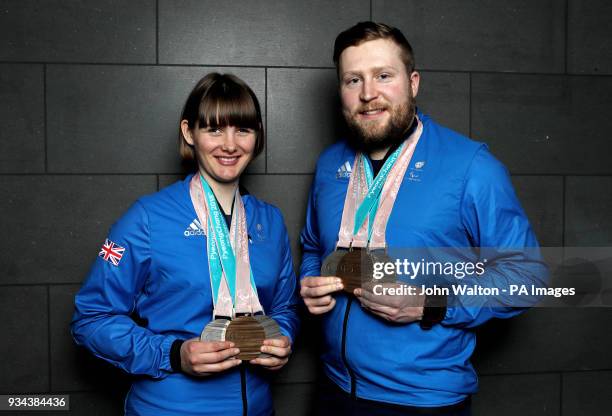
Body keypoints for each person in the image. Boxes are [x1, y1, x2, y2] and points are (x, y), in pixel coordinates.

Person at [299, 22, 547, 415]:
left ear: (412, 82)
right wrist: (310, 281)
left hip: (421, 401)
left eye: (383, 76)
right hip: (333, 390)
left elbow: (529, 277)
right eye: (353, 80)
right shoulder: (331, 164)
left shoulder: (471, 166)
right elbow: (313, 245)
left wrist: (428, 302)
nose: (368, 94)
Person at [72, 73, 299, 415]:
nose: (230, 144)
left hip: (257, 406)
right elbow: (91, 318)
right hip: (169, 407)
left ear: (257, 136)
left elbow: (285, 308)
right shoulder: (148, 218)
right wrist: (173, 354)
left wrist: (283, 339)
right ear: (188, 132)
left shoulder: (270, 221)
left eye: (243, 129)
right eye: (213, 129)